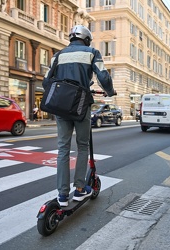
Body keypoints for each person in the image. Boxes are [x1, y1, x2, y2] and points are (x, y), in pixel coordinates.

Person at [44, 25, 115, 207]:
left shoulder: (58, 55)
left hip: (61, 106)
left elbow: (46, 80)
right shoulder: (92, 52)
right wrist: (110, 91)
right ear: (87, 39)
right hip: (81, 104)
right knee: (83, 146)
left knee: (63, 148)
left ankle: (62, 194)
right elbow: (104, 76)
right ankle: (80, 189)